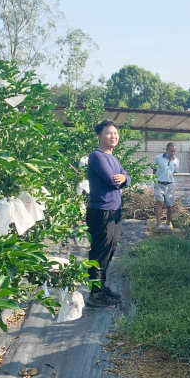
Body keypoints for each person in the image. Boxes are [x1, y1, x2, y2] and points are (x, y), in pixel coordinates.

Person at [86, 119, 131, 308]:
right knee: (99, 253)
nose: (113, 136)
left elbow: (127, 178)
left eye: (115, 133)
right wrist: (123, 179)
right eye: (108, 133)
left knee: (110, 250)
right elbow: (113, 181)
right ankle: (95, 294)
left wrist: (125, 178)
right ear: (99, 136)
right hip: (101, 211)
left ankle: (101, 288)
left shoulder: (113, 158)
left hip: (114, 210)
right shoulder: (97, 156)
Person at [152, 142, 179, 230]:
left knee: (169, 206)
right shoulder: (158, 158)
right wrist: (156, 180)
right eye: (171, 151)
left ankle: (168, 223)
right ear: (166, 150)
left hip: (170, 185)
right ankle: (159, 224)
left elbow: (173, 172)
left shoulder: (176, 160)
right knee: (160, 202)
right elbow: (154, 170)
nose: (173, 153)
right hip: (159, 183)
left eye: (174, 151)